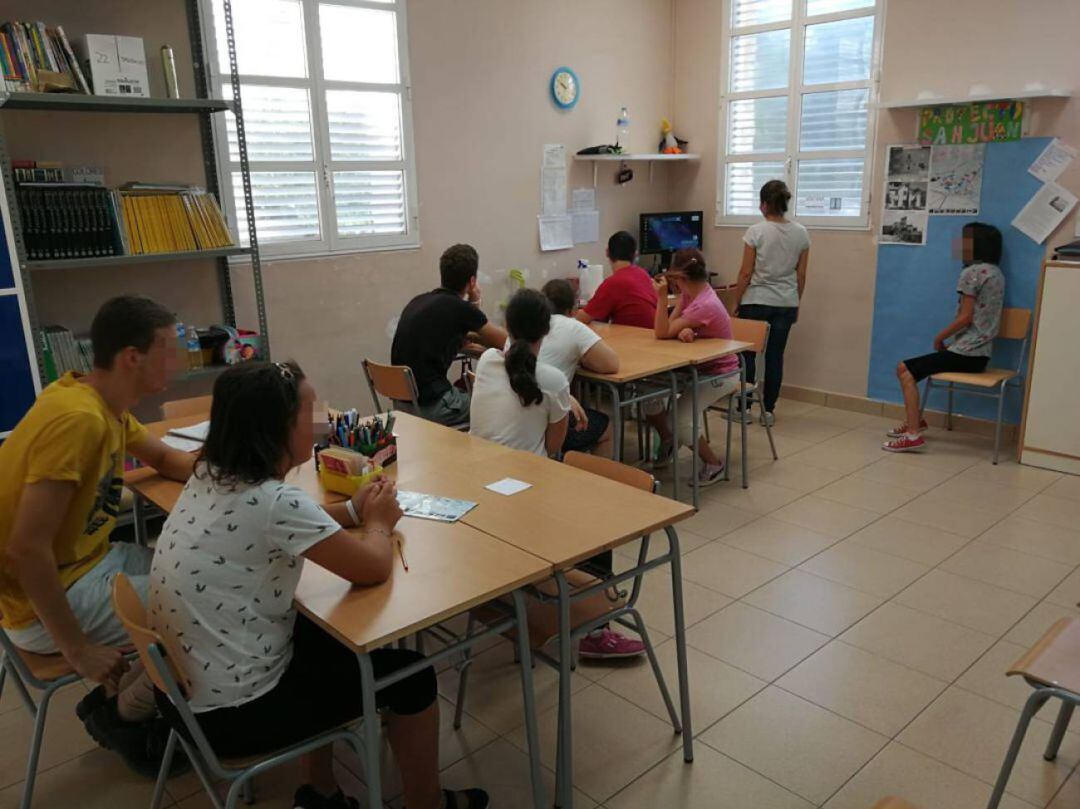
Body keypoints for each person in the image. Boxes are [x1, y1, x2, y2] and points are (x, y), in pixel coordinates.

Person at [150, 361, 489, 809]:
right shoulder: (272, 501)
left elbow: (290, 527)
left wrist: (352, 513)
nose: (322, 422)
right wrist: (379, 524)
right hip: (236, 715)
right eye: (310, 412)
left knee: (324, 631)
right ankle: (426, 803)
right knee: (413, 675)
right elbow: (371, 566)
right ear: (277, 429)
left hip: (182, 695)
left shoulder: (210, 473)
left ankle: (320, 793)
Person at [0, 296, 197, 775]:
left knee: (189, 569)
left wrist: (241, 466)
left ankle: (135, 689)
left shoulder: (97, 402)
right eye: (169, 350)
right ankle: (130, 712)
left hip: (85, 567)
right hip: (44, 599)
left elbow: (168, 460)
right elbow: (25, 549)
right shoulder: (79, 420)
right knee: (206, 600)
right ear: (133, 356)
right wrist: (79, 652)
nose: (179, 361)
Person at [472, 290, 644, 659]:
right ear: (547, 332)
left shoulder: (486, 361)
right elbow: (554, 448)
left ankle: (548, 585)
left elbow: (515, 367)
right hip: (524, 498)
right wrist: (563, 400)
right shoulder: (550, 379)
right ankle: (596, 628)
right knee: (595, 516)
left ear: (507, 326)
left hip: (480, 490)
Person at [884, 222, 1005, 453]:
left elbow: (965, 317)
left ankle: (913, 435)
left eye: (964, 241)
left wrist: (939, 338)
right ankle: (915, 422)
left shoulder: (971, 273)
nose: (959, 246)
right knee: (911, 369)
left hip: (968, 353)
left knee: (904, 370)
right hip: (981, 354)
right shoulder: (996, 273)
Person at [575, 231, 675, 462]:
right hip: (655, 348)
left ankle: (585, 434)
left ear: (608, 253)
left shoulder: (613, 283)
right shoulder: (642, 275)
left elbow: (582, 319)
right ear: (636, 254)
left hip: (636, 355)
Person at [392, 243, 508, 427]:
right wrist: (476, 301)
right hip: (432, 407)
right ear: (471, 282)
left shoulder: (420, 300)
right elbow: (507, 342)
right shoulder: (458, 308)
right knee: (500, 406)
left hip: (402, 404)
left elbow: (462, 336)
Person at [654, 248, 740, 487]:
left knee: (679, 420)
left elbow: (661, 332)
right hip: (697, 369)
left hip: (721, 373)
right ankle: (673, 440)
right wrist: (681, 327)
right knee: (649, 398)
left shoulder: (705, 304)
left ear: (680, 279)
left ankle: (713, 463)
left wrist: (662, 298)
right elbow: (671, 327)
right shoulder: (694, 292)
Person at [732, 180, 811, 426]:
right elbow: (801, 275)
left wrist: (737, 301)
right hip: (786, 303)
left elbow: (746, 272)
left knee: (748, 356)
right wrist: (796, 303)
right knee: (775, 357)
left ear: (764, 204)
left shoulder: (756, 231)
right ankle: (768, 411)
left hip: (755, 301)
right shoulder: (801, 233)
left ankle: (743, 409)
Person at [540, 278, 619, 458]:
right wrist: (583, 358)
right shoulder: (572, 326)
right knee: (605, 428)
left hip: (520, 413)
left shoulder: (526, 322)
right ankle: (598, 483)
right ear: (573, 310)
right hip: (548, 419)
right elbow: (611, 364)